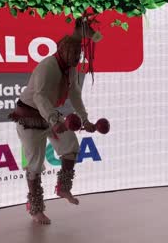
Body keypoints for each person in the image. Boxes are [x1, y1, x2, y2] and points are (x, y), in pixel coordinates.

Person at [8, 18, 101, 224]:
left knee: (70, 147)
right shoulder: (48, 65)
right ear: (63, 50)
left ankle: (63, 188)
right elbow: (40, 96)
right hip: (30, 116)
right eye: (74, 54)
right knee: (35, 165)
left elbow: (75, 94)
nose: (77, 57)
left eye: (79, 54)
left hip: (51, 115)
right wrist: (54, 119)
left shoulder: (71, 67)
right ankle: (35, 208)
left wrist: (85, 120)